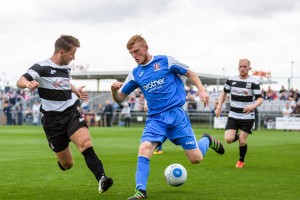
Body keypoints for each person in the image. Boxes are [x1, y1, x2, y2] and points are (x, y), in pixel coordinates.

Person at [111, 34, 225, 200]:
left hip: (176, 116)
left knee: (196, 158)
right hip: (156, 119)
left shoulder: (166, 61)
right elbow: (120, 98)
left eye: (137, 51)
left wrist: (201, 90)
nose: (135, 56)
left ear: (146, 47)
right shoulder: (136, 74)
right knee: (144, 148)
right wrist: (114, 91)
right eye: (131, 54)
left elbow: (190, 73)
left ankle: (207, 140)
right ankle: (140, 191)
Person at [16, 35, 113, 193]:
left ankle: (102, 178)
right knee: (67, 164)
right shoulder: (41, 67)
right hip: (52, 122)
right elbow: (20, 80)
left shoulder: (66, 68)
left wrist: (75, 90)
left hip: (70, 114)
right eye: (72, 53)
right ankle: (62, 161)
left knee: (86, 143)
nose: (74, 58)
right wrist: (28, 83)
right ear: (61, 52)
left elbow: (65, 82)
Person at [215, 58, 263, 168]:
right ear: (238, 67)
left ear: (249, 68)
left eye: (245, 66)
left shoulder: (254, 82)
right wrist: (219, 107)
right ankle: (240, 136)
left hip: (247, 116)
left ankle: (241, 160)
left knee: (242, 141)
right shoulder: (231, 80)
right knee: (228, 139)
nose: (242, 68)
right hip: (233, 115)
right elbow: (224, 93)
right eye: (240, 66)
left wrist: (253, 106)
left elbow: (260, 99)